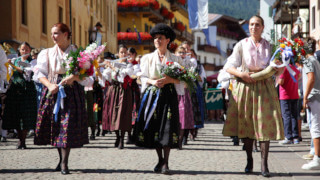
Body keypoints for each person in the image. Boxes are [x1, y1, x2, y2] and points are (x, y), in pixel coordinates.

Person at [222, 15, 284, 177]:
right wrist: (241, 74)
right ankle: (249, 158)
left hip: (265, 87)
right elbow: (228, 66)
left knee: (264, 124)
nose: (253, 27)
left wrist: (279, 67)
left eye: (257, 25)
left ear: (262, 27)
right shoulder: (241, 45)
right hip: (245, 85)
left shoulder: (270, 46)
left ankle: (264, 164)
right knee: (247, 125)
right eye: (251, 25)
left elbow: (279, 68)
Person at [34, 23, 93, 175]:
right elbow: (39, 73)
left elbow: (86, 73)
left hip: (71, 93)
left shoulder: (77, 52)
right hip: (53, 91)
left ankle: (65, 163)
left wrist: (74, 76)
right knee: (56, 126)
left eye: (56, 33)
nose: (53, 36)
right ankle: (61, 160)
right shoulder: (47, 53)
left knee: (67, 126)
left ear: (66, 34)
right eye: (52, 33)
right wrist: (49, 85)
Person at [134, 23, 182, 174]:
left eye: (160, 38)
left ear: (168, 40)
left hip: (169, 95)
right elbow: (141, 77)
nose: (157, 41)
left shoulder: (175, 59)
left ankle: (166, 163)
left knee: (167, 127)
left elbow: (181, 80)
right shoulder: (147, 58)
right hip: (153, 95)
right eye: (155, 38)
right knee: (155, 127)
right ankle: (160, 159)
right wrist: (153, 81)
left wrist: (169, 80)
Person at [100, 44, 135, 149]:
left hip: (124, 92)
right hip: (113, 91)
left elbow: (122, 76)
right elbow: (106, 78)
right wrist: (98, 70)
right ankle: (118, 137)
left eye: (125, 52)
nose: (123, 54)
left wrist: (112, 67)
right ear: (118, 53)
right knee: (113, 115)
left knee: (122, 116)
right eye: (121, 52)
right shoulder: (113, 63)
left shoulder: (129, 65)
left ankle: (122, 140)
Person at [2, 42, 37, 149]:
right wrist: (7, 65)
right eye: (22, 49)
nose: (24, 51)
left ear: (30, 50)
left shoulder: (33, 61)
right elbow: (8, 75)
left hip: (27, 91)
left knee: (26, 116)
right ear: (19, 51)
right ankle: (20, 140)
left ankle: (23, 140)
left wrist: (11, 64)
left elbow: (25, 71)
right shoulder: (15, 60)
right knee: (16, 115)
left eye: (26, 49)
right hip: (15, 90)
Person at [301, 37, 320, 170]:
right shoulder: (316, 60)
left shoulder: (308, 60)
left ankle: (316, 158)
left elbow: (311, 78)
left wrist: (305, 96)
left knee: (315, 128)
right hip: (318, 96)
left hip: (314, 97)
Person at [174, 46, 195, 149]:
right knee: (174, 117)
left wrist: (189, 78)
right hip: (174, 93)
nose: (182, 54)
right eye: (180, 52)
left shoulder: (189, 63)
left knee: (183, 117)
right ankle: (174, 139)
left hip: (184, 93)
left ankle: (180, 141)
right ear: (176, 53)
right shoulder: (172, 62)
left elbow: (193, 74)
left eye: (183, 52)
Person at [278, 63, 301, 144]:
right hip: (294, 94)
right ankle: (295, 137)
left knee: (286, 116)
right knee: (294, 115)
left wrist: (277, 78)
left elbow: (281, 81)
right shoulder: (293, 67)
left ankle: (288, 136)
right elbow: (299, 75)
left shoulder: (283, 68)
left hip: (285, 95)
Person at [0, 45, 8, 142]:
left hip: (1, 88)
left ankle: (3, 134)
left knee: (3, 111)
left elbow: (4, 70)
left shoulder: (0, 51)